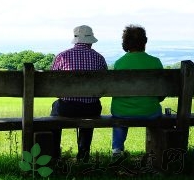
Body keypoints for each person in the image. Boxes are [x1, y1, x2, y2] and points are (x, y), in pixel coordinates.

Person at [50, 25, 108, 162]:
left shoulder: (62, 56)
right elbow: (105, 85)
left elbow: (52, 85)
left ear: (75, 40)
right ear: (91, 41)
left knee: (54, 110)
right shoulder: (99, 58)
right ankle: (83, 153)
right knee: (91, 110)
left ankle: (54, 153)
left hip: (67, 108)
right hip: (91, 108)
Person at [111, 24, 164, 158]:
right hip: (150, 112)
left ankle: (117, 149)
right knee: (157, 112)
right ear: (144, 41)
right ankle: (156, 153)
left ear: (125, 43)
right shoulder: (155, 62)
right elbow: (162, 94)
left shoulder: (119, 63)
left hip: (121, 112)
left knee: (120, 116)